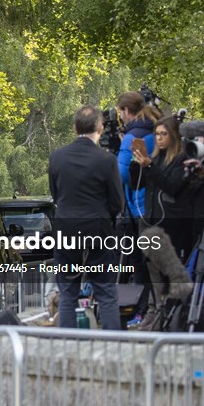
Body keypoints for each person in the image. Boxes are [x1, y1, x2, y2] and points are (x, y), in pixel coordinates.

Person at [48, 105, 126, 330]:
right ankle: (112, 345)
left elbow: (56, 195)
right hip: (98, 230)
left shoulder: (57, 158)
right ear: (100, 127)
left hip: (66, 230)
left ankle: (69, 346)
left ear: (75, 127)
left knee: (68, 293)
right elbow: (117, 202)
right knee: (106, 292)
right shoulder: (107, 160)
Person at [134, 116, 197, 259]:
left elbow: (172, 186)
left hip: (173, 226)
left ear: (173, 135)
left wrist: (149, 166)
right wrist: (135, 164)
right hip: (153, 222)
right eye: (157, 134)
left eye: (164, 134)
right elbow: (137, 184)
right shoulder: (156, 157)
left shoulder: (182, 159)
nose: (159, 138)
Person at [117, 91, 162, 220]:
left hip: (141, 202)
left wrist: (122, 151)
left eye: (120, 112)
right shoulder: (156, 127)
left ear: (126, 110)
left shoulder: (132, 136)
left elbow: (122, 175)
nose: (120, 116)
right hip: (160, 200)